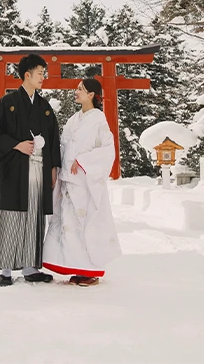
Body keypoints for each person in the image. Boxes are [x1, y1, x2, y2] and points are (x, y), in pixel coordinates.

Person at [0, 53, 61, 286]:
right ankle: (6, 270)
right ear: (27, 75)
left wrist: (53, 167)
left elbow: (53, 137)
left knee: (34, 216)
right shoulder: (6, 103)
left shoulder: (44, 106)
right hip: (16, 167)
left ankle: (30, 267)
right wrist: (16, 145)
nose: (43, 78)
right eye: (40, 73)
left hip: (39, 169)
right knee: (13, 216)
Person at [42, 78, 121, 286]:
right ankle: (76, 268)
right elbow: (64, 146)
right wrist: (54, 167)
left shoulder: (99, 120)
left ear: (92, 95)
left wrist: (84, 161)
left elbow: (107, 150)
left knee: (85, 225)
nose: (76, 92)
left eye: (80, 89)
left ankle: (91, 271)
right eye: (77, 88)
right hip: (68, 180)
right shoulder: (73, 120)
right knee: (69, 227)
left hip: (86, 182)